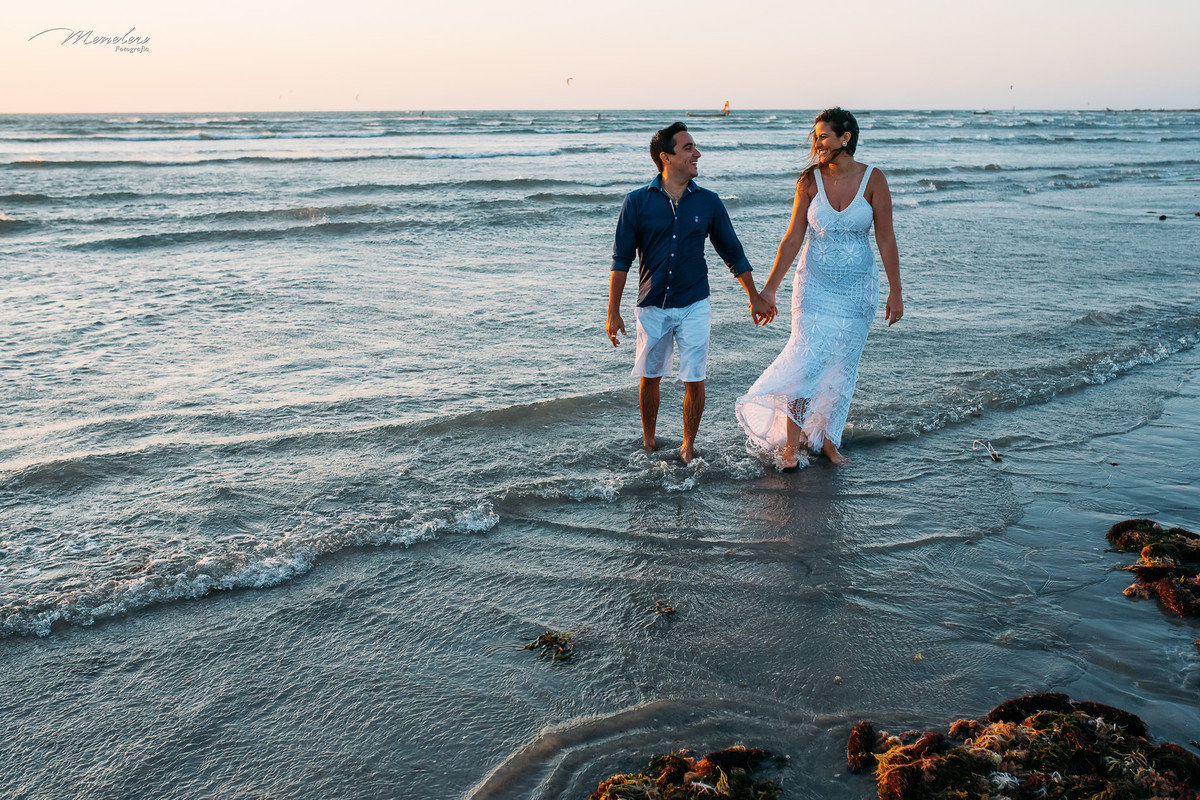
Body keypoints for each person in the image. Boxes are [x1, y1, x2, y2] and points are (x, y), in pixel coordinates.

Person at [735, 107, 903, 468]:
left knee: (842, 366)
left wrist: (896, 291)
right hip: (813, 287)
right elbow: (793, 237)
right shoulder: (809, 181)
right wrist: (769, 290)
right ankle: (791, 446)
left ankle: (827, 439)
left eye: (824, 136)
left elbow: (886, 238)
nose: (818, 143)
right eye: (816, 136)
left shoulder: (874, 180)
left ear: (846, 138)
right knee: (805, 359)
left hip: (858, 292)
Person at [607, 121, 774, 464]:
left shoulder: (709, 202)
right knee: (650, 377)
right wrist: (613, 310)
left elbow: (733, 252)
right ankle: (649, 442)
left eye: (694, 148)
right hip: (652, 305)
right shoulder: (637, 202)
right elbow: (621, 260)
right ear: (666, 157)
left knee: (694, 378)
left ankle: (687, 447)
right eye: (688, 148)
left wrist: (753, 296)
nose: (697, 154)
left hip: (695, 302)